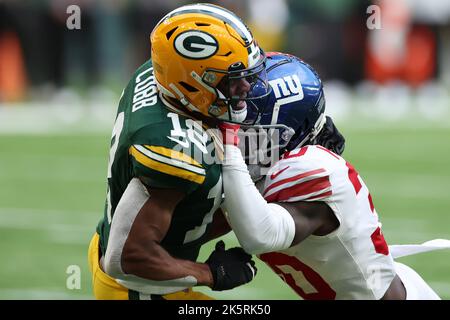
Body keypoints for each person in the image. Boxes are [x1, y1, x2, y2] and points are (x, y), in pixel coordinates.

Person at [220, 52, 444, 299]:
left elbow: (260, 234)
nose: (239, 134)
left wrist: (227, 146)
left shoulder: (308, 168)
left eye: (246, 127)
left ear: (285, 132)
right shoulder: (271, 167)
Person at [87, 3, 272, 300]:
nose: (245, 87)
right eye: (232, 80)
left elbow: (190, 211)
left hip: (121, 247)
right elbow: (126, 257)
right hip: (141, 287)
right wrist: (210, 274)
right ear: (194, 80)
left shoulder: (162, 76)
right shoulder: (174, 150)